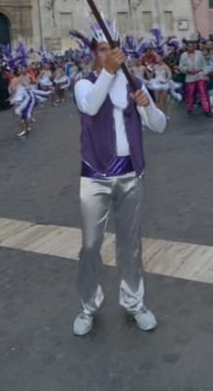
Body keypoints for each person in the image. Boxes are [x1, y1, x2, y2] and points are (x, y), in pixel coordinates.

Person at [72, 19, 166, 337]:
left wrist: (147, 107)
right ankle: (87, 305)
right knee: (89, 245)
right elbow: (91, 105)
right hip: (95, 176)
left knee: (131, 246)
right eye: (101, 51)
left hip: (130, 174)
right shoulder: (84, 83)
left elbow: (159, 124)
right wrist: (110, 72)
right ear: (93, 55)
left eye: (112, 50)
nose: (108, 55)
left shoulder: (134, 83)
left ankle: (134, 302)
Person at [179, 41, 212, 116]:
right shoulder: (183, 55)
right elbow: (180, 66)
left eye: (192, 46)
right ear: (187, 47)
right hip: (190, 77)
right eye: (189, 46)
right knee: (190, 94)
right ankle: (189, 107)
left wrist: (205, 74)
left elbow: (204, 64)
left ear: (194, 47)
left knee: (203, 93)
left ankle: (207, 110)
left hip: (199, 75)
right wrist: (186, 70)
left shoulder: (199, 53)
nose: (191, 48)